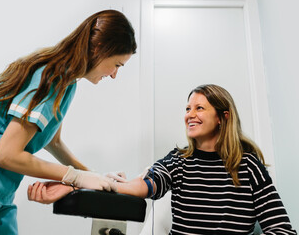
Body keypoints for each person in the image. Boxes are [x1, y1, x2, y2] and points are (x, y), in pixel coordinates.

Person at [0, 9, 136, 235]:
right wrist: (75, 177)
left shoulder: (67, 82)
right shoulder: (51, 75)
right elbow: (7, 154)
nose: (114, 75)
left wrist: (92, 176)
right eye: (117, 65)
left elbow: (54, 141)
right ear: (100, 49)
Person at [29, 84, 297, 234]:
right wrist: (77, 183)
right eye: (187, 108)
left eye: (199, 108)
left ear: (222, 117)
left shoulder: (248, 166)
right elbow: (142, 186)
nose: (189, 114)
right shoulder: (179, 161)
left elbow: (282, 229)